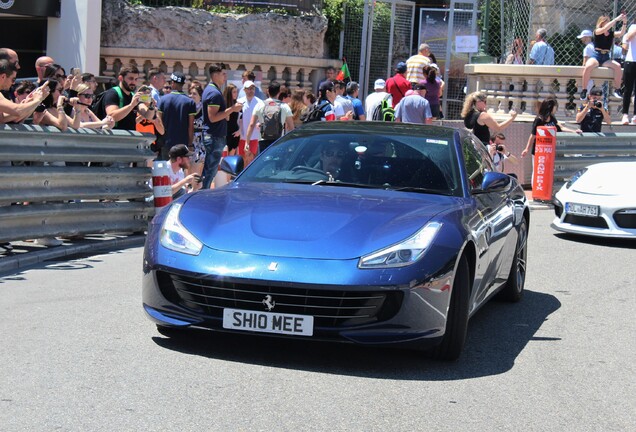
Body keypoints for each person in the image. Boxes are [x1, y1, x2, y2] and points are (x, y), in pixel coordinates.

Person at [201, 64, 243, 189]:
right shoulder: (214, 93)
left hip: (214, 136)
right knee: (210, 171)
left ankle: (204, 192)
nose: (225, 76)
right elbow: (213, 117)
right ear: (216, 75)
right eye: (223, 74)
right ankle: (203, 194)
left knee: (210, 169)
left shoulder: (212, 90)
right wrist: (232, 109)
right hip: (214, 136)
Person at [580, 14, 627, 100]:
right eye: (606, 22)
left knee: (618, 66)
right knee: (588, 66)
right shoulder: (597, 31)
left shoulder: (610, 33)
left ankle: (617, 89)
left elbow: (621, 33)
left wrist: (624, 23)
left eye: (608, 22)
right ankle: (584, 90)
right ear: (601, 23)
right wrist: (616, 19)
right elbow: (604, 29)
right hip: (596, 55)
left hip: (606, 56)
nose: (608, 24)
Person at [245, 80, 294, 154]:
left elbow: (251, 124)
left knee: (264, 163)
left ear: (268, 91)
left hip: (263, 140)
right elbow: (291, 127)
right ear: (278, 93)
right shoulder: (285, 106)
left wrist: (247, 142)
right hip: (278, 141)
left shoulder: (259, 105)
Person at [158, 72, 197, 160]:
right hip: (182, 144)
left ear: (172, 83)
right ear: (183, 84)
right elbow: (191, 127)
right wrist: (190, 144)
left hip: (166, 142)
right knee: (179, 170)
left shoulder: (163, 100)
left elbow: (158, 122)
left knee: (166, 170)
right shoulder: (190, 102)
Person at [237, 80, 262, 165]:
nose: (250, 91)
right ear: (244, 90)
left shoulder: (260, 102)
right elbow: (237, 119)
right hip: (242, 136)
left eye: (252, 88)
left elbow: (263, 119)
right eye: (248, 89)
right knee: (242, 158)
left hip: (254, 135)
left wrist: (260, 123)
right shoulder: (239, 102)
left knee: (251, 159)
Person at [622, 21, 636, 124]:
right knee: (628, 89)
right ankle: (625, 114)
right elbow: (628, 38)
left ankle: (635, 115)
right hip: (631, 61)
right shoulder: (633, 27)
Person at [223, 83, 240, 156]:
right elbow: (226, 119)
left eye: (236, 92)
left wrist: (240, 131)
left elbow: (241, 119)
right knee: (224, 156)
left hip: (235, 132)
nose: (236, 94)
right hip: (225, 132)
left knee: (231, 155)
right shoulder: (224, 104)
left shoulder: (238, 104)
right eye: (234, 92)